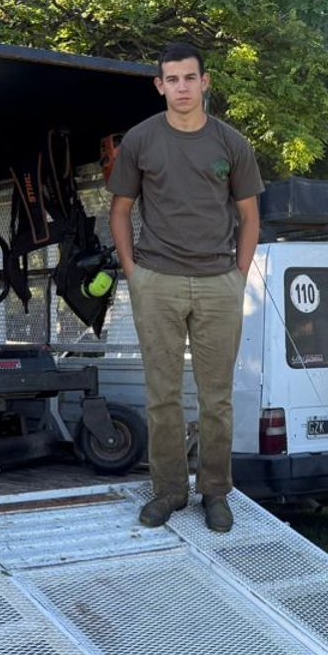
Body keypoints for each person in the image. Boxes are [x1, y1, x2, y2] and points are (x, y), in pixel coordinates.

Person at [108, 41, 263, 533]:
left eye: (189, 78)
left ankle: (215, 493)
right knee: (162, 396)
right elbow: (120, 211)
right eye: (171, 79)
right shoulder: (139, 140)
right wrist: (134, 273)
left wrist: (238, 275)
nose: (181, 87)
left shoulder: (231, 143)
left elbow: (249, 216)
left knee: (217, 398)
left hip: (219, 282)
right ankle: (169, 490)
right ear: (159, 85)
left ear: (205, 82)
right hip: (157, 281)